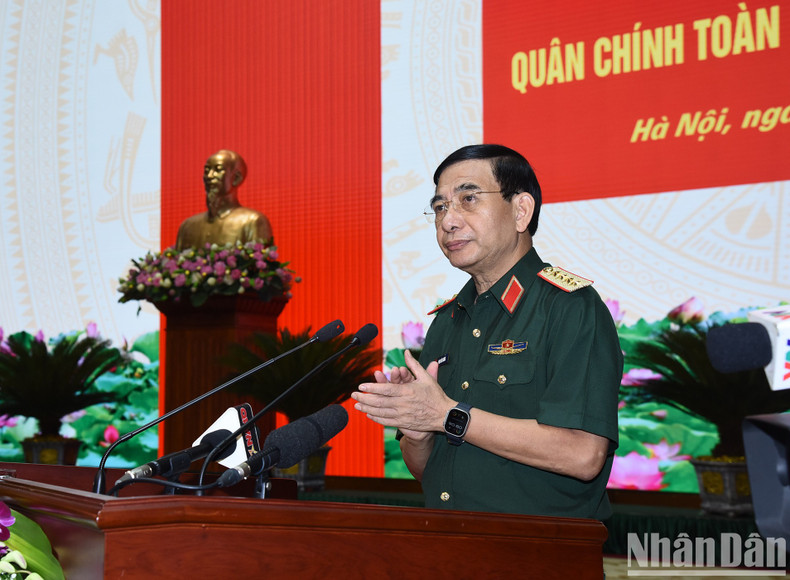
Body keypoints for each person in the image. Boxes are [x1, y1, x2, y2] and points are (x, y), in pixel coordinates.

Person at [352, 144, 622, 518]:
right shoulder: (446, 321)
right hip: (449, 548)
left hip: (540, 556)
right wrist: (416, 429)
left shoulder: (570, 307)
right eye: (441, 206)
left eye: (469, 199)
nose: (448, 220)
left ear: (520, 210)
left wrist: (447, 415)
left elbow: (582, 455)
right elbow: (426, 471)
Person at [175, 150, 273, 250]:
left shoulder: (252, 221)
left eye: (218, 170)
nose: (209, 176)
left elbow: (259, 262)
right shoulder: (187, 226)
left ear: (236, 178)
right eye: (207, 171)